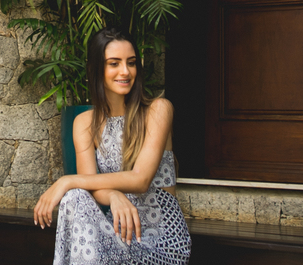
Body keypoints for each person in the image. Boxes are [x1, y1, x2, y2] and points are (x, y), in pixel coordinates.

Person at [34, 27, 191, 264]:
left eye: (131, 63)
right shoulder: (84, 123)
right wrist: (114, 195)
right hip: (119, 235)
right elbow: (92, 186)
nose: (125, 71)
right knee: (75, 197)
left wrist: (66, 180)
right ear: (96, 69)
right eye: (114, 63)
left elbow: (140, 180)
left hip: (161, 240)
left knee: (73, 189)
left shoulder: (158, 110)